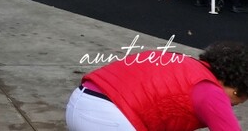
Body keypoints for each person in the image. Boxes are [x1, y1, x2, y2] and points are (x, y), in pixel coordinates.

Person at [66, 41, 248, 130]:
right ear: (236, 87)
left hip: (79, 101)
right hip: (109, 118)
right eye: (239, 99)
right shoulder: (210, 92)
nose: (234, 105)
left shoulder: (184, 63)